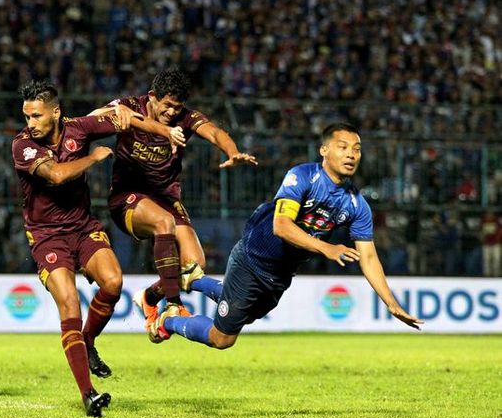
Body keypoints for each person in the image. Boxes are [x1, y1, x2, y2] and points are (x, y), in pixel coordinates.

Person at [150, 123, 422, 349]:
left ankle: (195, 280)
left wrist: (391, 304)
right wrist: (325, 248)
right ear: (324, 150)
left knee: (246, 313)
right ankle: (167, 321)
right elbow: (281, 226)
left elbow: (369, 257)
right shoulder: (303, 176)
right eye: (343, 147)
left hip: (280, 274)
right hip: (252, 258)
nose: (351, 154)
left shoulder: (357, 205)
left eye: (357, 149)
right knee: (222, 339)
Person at [12, 80, 184, 417]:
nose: (29, 123)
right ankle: (88, 393)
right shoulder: (23, 145)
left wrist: (161, 131)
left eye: (36, 116)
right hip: (47, 236)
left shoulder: (78, 128)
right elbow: (57, 175)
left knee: (113, 282)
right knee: (70, 304)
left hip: (82, 228)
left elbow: (125, 119)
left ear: (56, 113)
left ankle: (88, 343)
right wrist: (93, 157)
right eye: (27, 116)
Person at [88, 67, 257, 340]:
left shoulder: (185, 118)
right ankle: (174, 305)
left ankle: (149, 297)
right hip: (127, 198)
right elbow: (93, 118)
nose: (172, 113)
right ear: (153, 96)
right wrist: (112, 114)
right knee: (162, 222)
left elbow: (214, 132)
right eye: (167, 106)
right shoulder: (130, 106)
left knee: (194, 266)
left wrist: (233, 151)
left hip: (166, 199)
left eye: (177, 108)